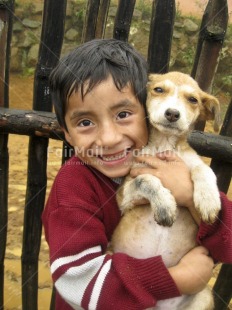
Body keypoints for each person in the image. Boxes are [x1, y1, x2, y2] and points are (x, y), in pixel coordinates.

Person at [42, 38, 232, 310]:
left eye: (123, 114)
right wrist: (179, 279)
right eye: (85, 122)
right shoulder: (74, 183)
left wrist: (190, 197)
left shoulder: (181, 167)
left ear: (145, 108)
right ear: (67, 133)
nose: (108, 138)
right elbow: (76, 280)